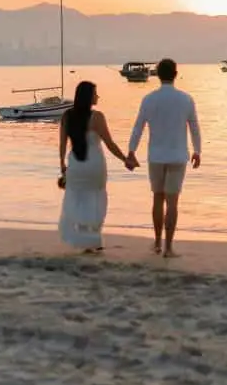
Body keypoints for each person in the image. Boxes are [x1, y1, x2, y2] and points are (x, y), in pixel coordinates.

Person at [126, 57, 201, 257]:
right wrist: (197, 151)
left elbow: (138, 127)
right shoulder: (186, 99)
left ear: (157, 75)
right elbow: (194, 127)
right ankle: (168, 247)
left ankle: (157, 242)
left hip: (156, 156)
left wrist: (131, 150)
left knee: (157, 199)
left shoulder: (149, 99)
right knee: (173, 202)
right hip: (177, 156)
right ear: (175, 74)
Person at [58, 81, 129, 253]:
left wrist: (62, 166)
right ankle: (95, 239)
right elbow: (110, 144)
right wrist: (125, 159)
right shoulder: (97, 117)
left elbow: (62, 145)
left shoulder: (67, 116)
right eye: (95, 93)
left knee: (79, 199)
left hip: (76, 164)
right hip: (95, 165)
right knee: (96, 199)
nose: (97, 96)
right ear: (88, 96)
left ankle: (83, 238)